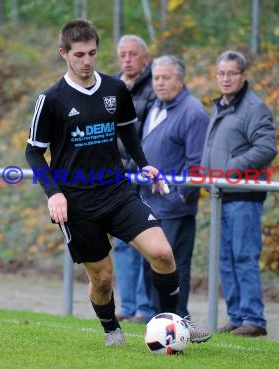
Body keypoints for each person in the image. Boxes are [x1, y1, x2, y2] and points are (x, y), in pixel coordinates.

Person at [24, 19, 210, 346]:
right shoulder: (50, 99)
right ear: (63, 53)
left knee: (163, 253)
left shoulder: (115, 89)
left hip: (118, 193)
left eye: (92, 53)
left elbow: (128, 131)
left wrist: (145, 165)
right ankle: (112, 330)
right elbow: (34, 153)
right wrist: (54, 194)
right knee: (103, 279)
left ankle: (175, 324)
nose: (86, 61)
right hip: (78, 203)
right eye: (79, 54)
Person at [201, 50, 278, 337]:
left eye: (231, 73)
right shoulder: (220, 106)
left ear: (242, 75)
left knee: (244, 257)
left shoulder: (253, 108)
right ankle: (236, 316)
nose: (226, 78)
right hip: (221, 195)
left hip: (244, 196)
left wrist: (231, 168)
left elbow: (267, 147)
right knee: (225, 259)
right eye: (221, 73)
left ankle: (254, 319)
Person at [139, 55, 209, 320]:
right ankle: (158, 321)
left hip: (174, 208)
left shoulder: (193, 112)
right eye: (156, 78)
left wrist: (181, 196)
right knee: (153, 266)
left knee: (174, 266)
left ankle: (177, 320)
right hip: (148, 204)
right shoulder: (154, 106)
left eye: (166, 78)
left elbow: (197, 162)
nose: (159, 83)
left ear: (180, 79)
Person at [111, 34, 157, 324]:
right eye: (122, 54)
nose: (127, 60)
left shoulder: (155, 88)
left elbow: (143, 135)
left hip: (140, 175)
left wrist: (138, 165)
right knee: (121, 243)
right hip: (116, 177)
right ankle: (126, 307)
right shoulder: (112, 87)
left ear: (145, 57)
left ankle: (143, 308)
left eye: (132, 54)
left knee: (143, 241)